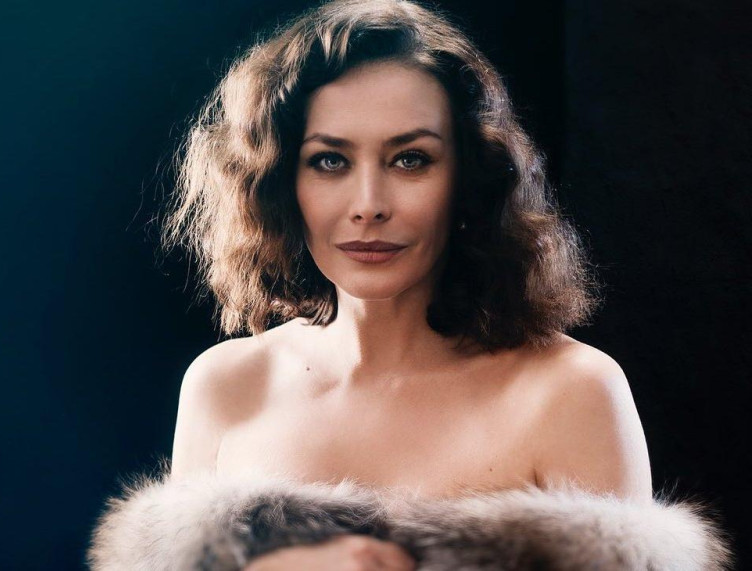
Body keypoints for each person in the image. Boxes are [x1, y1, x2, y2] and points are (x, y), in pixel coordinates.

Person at [160, 0, 653, 567]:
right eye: (329, 161)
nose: (369, 205)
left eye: (411, 159)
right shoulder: (225, 386)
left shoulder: (573, 393)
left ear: (468, 178)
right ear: (278, 185)